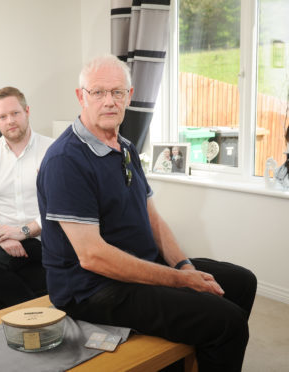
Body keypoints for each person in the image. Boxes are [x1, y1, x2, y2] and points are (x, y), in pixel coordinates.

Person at [37, 55, 257, 372]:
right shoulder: (65, 160)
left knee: (241, 283)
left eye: (118, 92)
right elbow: (92, 257)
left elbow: (153, 218)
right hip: (91, 289)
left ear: (130, 95)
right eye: (97, 92)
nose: (109, 101)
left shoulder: (125, 148)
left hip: (137, 265)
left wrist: (185, 265)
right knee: (228, 322)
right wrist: (180, 280)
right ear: (80, 96)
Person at [0, 87, 54, 306]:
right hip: (2, 236)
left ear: (27, 111)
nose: (10, 121)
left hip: (46, 235)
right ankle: (38, 315)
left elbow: (60, 206)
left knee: (74, 264)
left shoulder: (53, 150)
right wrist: (0, 234)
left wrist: (24, 231)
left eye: (15, 113)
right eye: (2, 116)